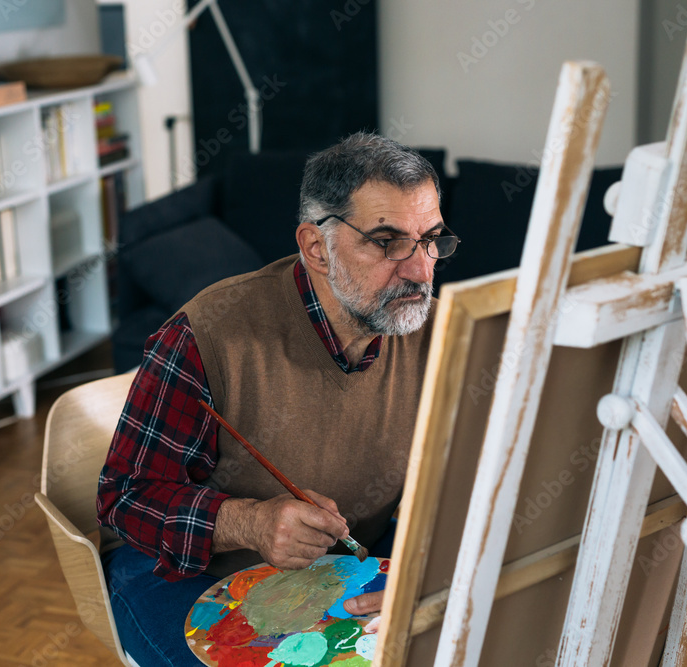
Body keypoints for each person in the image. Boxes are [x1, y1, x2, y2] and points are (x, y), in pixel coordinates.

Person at [97, 132, 459, 666]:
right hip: (181, 573)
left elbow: (470, 479)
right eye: (386, 242)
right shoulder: (207, 335)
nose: (420, 269)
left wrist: (427, 577)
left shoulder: (439, 327)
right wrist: (251, 522)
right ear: (317, 248)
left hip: (348, 562)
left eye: (430, 239)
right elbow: (124, 498)